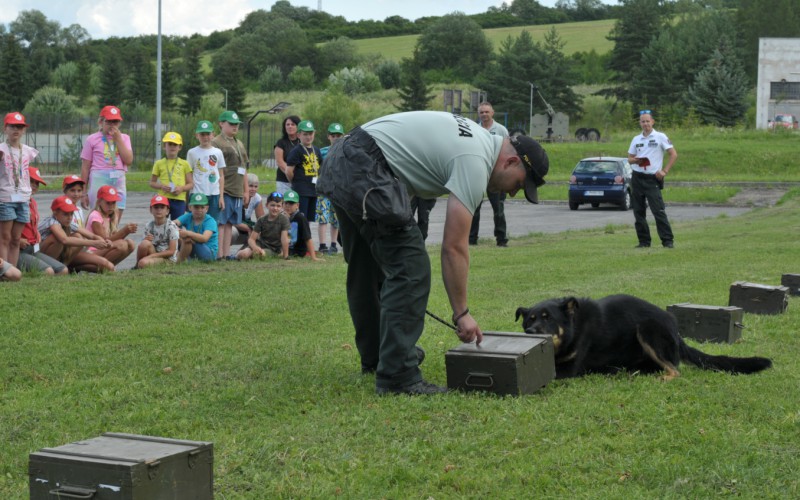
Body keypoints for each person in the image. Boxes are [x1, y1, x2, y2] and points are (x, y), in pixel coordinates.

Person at [317, 111, 549, 395]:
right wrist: (461, 313)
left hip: (344, 157)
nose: (513, 193)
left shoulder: (474, 141)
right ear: (511, 161)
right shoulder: (476, 161)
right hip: (365, 166)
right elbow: (454, 246)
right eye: (518, 184)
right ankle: (398, 377)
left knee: (367, 268)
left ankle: (379, 358)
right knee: (411, 266)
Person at [627, 110, 678, 248]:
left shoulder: (660, 136)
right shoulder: (636, 139)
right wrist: (635, 160)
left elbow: (673, 154)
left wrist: (664, 171)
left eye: (647, 121)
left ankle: (667, 241)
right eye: (642, 121)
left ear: (652, 122)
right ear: (640, 123)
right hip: (637, 177)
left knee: (658, 211)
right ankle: (644, 242)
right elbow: (629, 159)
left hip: (652, 178)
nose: (645, 124)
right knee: (638, 211)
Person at [80, 105, 133, 220]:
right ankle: (98, 236)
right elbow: (85, 167)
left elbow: (128, 160)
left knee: (116, 212)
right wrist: (83, 193)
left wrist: (118, 139)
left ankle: (112, 235)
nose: (112, 125)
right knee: (98, 215)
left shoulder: (124, 138)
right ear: (101, 122)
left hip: (118, 178)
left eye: (116, 122)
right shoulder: (92, 139)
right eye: (109, 122)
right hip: (99, 177)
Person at [38, 195, 115, 273]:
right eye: (65, 214)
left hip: (52, 254)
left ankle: (65, 266)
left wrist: (105, 242)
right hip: (37, 254)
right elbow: (64, 240)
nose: (69, 217)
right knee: (57, 239)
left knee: (78, 236)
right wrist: (94, 243)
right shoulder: (52, 222)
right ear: (55, 213)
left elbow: (92, 235)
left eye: (71, 214)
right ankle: (53, 268)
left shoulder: (67, 222)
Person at [469, 102, 510, 247]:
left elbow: (508, 151)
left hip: (495, 175)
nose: (484, 115)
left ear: (492, 112)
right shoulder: (473, 129)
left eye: (487, 112)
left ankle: (501, 239)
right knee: (474, 208)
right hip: (478, 173)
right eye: (481, 112)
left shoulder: (501, 130)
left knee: (498, 208)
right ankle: (471, 239)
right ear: (478, 114)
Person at [0, 112, 36, 270]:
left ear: (24, 130)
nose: (16, 129)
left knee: (16, 239)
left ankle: (13, 270)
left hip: (23, 198)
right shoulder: (1, 149)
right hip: (6, 197)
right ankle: (4, 272)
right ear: (5, 128)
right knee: (5, 237)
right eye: (12, 126)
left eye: (20, 127)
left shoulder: (28, 150)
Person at [18, 167, 69, 276]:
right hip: (17, 250)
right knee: (48, 272)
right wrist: (17, 240)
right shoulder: (14, 200)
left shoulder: (33, 202)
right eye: (31, 181)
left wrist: (37, 233)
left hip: (33, 249)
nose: (35, 185)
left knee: (63, 270)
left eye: (37, 183)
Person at [212, 110, 249, 260]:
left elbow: (244, 168)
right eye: (231, 124)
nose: (235, 127)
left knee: (230, 224)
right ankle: (219, 254)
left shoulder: (239, 143)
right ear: (221, 124)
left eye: (237, 124)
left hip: (237, 189)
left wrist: (246, 190)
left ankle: (226, 254)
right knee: (221, 222)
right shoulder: (216, 142)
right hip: (225, 188)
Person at [85, 185, 136, 267]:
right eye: (108, 203)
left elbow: (114, 237)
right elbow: (104, 242)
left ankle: (108, 266)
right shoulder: (95, 216)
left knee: (130, 244)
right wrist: (124, 231)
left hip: (103, 250)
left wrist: (126, 232)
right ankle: (99, 267)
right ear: (99, 202)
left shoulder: (112, 214)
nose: (111, 206)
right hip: (91, 251)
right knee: (121, 245)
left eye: (113, 203)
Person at [186, 120, 226, 221]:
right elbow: (188, 173)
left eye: (208, 134)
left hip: (214, 194)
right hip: (197, 193)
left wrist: (221, 197)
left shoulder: (218, 152)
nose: (205, 137)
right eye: (202, 134)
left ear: (213, 135)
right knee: (196, 222)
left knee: (212, 222)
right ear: (197, 135)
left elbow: (221, 176)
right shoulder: (192, 152)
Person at [149, 131, 194, 221]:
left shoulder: (184, 164)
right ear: (164, 146)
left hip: (179, 200)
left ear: (180, 147)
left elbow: (191, 184)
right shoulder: (159, 163)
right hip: (163, 200)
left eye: (175, 144)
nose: (172, 147)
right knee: (161, 223)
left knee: (176, 225)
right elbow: (152, 183)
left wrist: (181, 188)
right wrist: (161, 186)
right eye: (170, 144)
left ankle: (176, 236)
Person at [236, 191, 290, 260]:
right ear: (267, 205)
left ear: (282, 207)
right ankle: (234, 256)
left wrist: (286, 256)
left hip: (272, 248)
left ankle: (278, 254)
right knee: (243, 254)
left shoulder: (283, 219)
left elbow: (284, 239)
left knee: (260, 255)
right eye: (272, 205)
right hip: (260, 244)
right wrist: (255, 247)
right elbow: (251, 239)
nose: (275, 208)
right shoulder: (262, 219)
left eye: (278, 206)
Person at [286, 120, 321, 223]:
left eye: (310, 134)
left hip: (313, 191)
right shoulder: (296, 151)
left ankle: (305, 238)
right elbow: (289, 171)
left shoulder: (316, 150)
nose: (308, 137)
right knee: (297, 218)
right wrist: (296, 183)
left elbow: (320, 168)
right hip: (301, 191)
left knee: (308, 220)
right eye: (305, 134)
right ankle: (294, 238)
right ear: (299, 135)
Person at [317, 122, 343, 255]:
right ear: (328, 136)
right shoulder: (322, 152)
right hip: (324, 190)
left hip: (337, 190)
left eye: (338, 135)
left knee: (336, 218)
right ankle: (322, 244)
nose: (336, 138)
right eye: (333, 135)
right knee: (323, 217)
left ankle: (333, 243)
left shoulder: (345, 151)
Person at [136, 195, 180, 268]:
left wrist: (152, 256)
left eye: (162, 207)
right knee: (144, 244)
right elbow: (142, 246)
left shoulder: (172, 226)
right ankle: (137, 265)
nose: (159, 210)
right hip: (154, 253)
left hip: (168, 258)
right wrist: (146, 240)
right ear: (151, 210)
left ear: (167, 211)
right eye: (156, 207)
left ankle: (140, 264)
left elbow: (171, 251)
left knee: (143, 263)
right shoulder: (148, 225)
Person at [175, 193, 219, 263]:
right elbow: (174, 223)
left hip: (209, 253)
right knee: (178, 237)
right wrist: (176, 228)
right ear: (190, 207)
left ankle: (179, 261)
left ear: (207, 208)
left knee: (187, 238)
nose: (199, 210)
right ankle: (182, 259)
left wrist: (188, 233)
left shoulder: (210, 221)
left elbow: (204, 238)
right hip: (195, 247)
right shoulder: (188, 216)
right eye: (196, 207)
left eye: (202, 207)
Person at [283, 190, 319, 260]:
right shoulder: (280, 216)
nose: (288, 206)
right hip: (283, 248)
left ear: (297, 205)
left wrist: (313, 257)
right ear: (282, 204)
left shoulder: (301, 218)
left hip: (297, 251)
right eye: (286, 203)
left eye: (291, 203)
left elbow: (308, 238)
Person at [233, 173, 266, 245]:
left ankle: (244, 254)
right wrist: (248, 228)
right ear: (244, 186)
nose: (253, 189)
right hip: (233, 226)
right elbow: (232, 221)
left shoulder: (257, 198)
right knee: (232, 232)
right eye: (250, 186)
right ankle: (224, 254)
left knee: (260, 232)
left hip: (245, 227)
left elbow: (262, 220)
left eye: (256, 186)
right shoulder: (237, 196)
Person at [273, 115, 301, 194]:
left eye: (293, 124)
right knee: (284, 204)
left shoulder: (302, 142)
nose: (290, 127)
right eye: (287, 124)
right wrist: (291, 175)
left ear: (298, 126)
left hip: (300, 182)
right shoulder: (281, 143)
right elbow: (280, 162)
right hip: (284, 181)